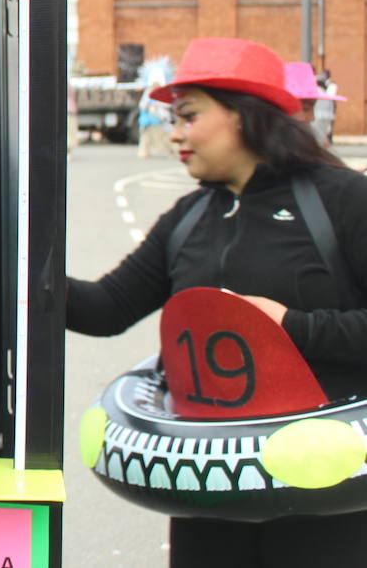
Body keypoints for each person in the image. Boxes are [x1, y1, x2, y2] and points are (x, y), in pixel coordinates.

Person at [67, 37, 367, 567]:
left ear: (247, 117)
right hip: (211, 498)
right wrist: (11, 271)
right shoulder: (186, 219)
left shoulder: (343, 200)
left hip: (330, 497)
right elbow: (105, 308)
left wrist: (288, 326)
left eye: (188, 116)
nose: (174, 133)